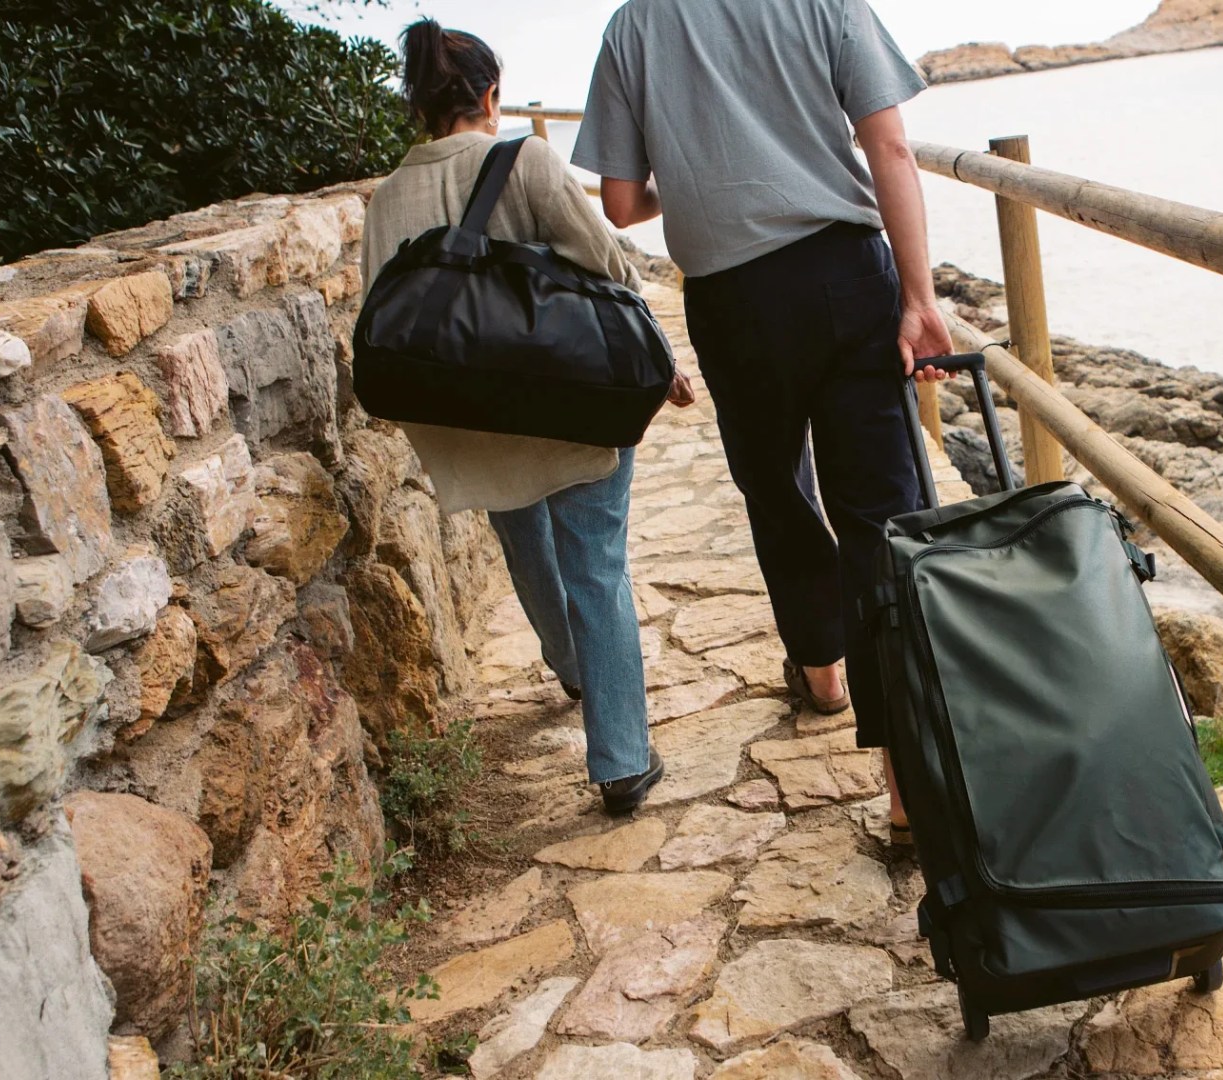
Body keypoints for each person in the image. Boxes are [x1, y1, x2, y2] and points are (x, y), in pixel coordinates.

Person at [574, 0, 953, 839]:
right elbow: (888, 145)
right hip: (845, 277)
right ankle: (905, 794)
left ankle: (820, 672)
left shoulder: (633, 27)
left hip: (732, 302)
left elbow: (622, 201)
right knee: (881, 519)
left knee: (777, 491)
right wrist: (921, 300)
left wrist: (710, 167)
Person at [362, 19, 692, 814]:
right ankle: (619, 761)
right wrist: (665, 363)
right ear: (490, 95)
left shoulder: (387, 198)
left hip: (464, 418)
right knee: (596, 566)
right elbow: (606, 265)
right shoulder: (526, 158)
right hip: (566, 399)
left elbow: (379, 313)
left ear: (420, 105)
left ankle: (572, 667)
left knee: (527, 545)